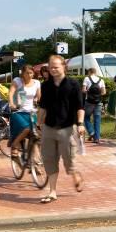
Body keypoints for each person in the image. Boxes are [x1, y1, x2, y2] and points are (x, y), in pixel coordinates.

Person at [36, 55, 85, 203]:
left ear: (64, 66)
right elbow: (43, 107)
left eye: (56, 66)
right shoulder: (46, 86)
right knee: (49, 160)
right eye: (51, 67)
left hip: (68, 127)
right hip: (49, 127)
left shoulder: (73, 84)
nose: (53, 69)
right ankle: (52, 192)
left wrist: (81, 124)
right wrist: (38, 124)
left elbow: (79, 107)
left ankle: (75, 174)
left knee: (69, 157)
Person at [8, 65, 41, 157]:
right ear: (22, 73)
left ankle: (34, 161)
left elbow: (39, 97)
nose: (30, 75)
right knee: (27, 129)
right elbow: (11, 93)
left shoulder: (37, 82)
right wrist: (11, 103)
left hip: (31, 112)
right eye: (27, 73)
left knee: (36, 134)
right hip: (18, 111)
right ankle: (15, 144)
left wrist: (38, 101)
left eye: (31, 73)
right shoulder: (17, 81)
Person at [82, 68, 106, 145]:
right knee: (97, 119)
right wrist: (97, 95)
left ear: (89, 72)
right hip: (98, 102)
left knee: (85, 117)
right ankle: (97, 138)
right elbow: (104, 92)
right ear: (95, 72)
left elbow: (83, 90)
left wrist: (88, 92)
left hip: (89, 102)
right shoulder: (101, 80)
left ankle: (92, 132)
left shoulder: (86, 78)